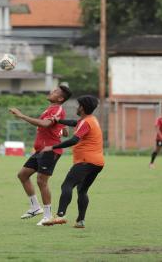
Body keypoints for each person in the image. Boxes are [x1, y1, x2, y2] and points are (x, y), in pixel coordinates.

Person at [9, 85, 72, 226]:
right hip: (40, 151)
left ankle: (48, 216)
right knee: (22, 175)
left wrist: (22, 115)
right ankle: (35, 207)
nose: (52, 92)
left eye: (55, 92)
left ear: (60, 98)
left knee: (41, 181)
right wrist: (62, 127)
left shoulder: (57, 109)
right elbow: (64, 131)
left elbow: (45, 124)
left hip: (50, 150)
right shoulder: (51, 109)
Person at [41, 95, 104, 228]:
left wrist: (52, 147)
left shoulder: (86, 122)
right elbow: (74, 123)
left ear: (83, 107)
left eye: (78, 105)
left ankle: (60, 216)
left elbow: (74, 140)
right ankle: (80, 221)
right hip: (97, 163)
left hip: (85, 161)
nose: (77, 107)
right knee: (82, 191)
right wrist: (60, 121)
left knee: (67, 185)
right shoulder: (91, 120)